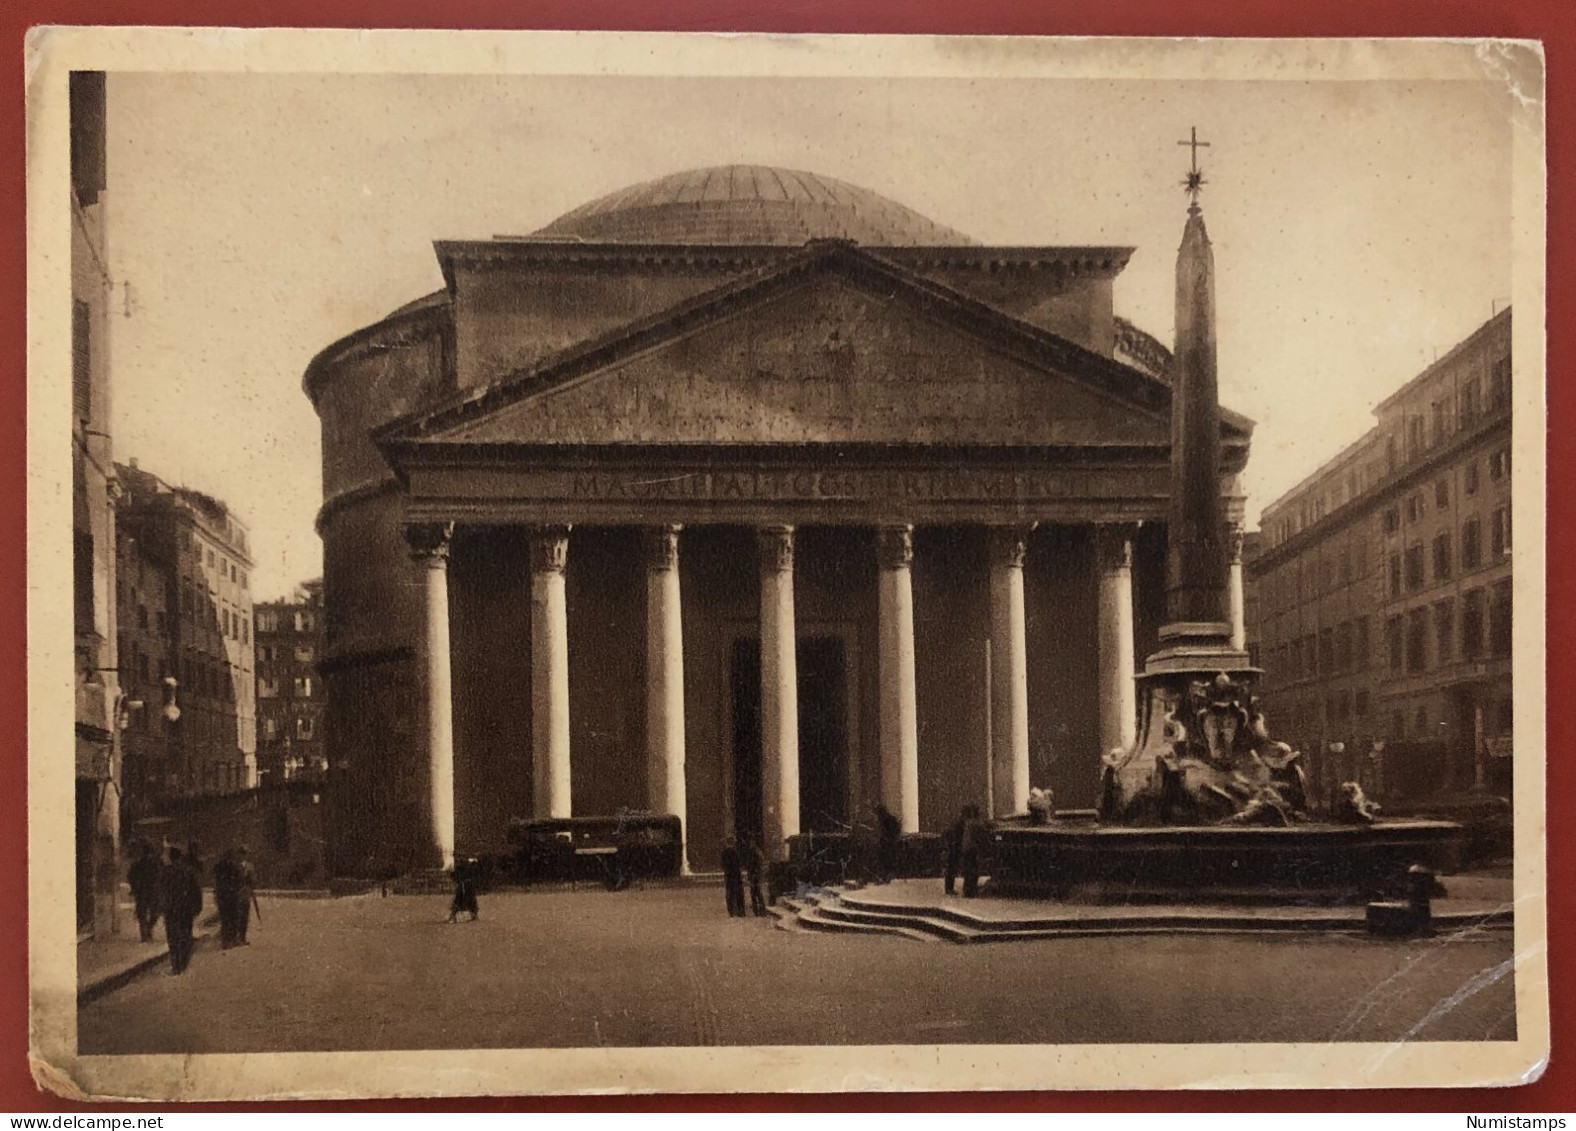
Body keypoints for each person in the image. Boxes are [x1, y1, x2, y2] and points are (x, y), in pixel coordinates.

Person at [161, 845, 203, 975]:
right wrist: (197, 907)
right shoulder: (189, 871)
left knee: (173, 937)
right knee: (185, 935)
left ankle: (176, 965)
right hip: (186, 910)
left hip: (171, 910)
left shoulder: (166, 872)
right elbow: (196, 891)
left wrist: (162, 907)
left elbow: (160, 891)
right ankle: (183, 962)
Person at [127, 841, 162, 943]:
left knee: (146, 913)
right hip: (147, 891)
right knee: (149, 913)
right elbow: (131, 875)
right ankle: (146, 931)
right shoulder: (141, 863)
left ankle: (146, 930)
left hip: (147, 891)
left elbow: (131, 876)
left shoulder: (152, 863)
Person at [943, 804, 979, 897]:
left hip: (955, 847)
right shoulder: (963, 823)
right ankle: (950, 888)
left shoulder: (958, 823)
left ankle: (949, 888)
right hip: (956, 848)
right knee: (954, 868)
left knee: (952, 868)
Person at [212, 849, 240, 949]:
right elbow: (238, 881)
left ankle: (225, 940)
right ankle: (232, 939)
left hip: (222, 894)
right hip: (231, 894)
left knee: (225, 918)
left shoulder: (218, 866)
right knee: (232, 917)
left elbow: (215, 880)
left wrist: (216, 892)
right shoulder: (234, 867)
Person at [961, 811, 989, 899]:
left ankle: (967, 890)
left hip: (966, 849)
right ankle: (971, 891)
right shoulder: (977, 824)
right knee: (973, 871)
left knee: (968, 870)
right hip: (972, 849)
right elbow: (981, 837)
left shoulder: (968, 823)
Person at [872, 801, 901, 884]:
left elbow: (883, 832)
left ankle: (884, 877)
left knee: (884, 861)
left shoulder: (885, 821)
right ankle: (886, 877)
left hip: (886, 845)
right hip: (889, 844)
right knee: (887, 862)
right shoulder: (890, 819)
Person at [233, 846, 256, 945]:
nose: (242, 856)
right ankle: (236, 938)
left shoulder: (250, 866)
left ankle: (243, 937)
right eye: (241, 853)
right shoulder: (234, 866)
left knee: (245, 916)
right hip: (236, 893)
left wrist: (251, 887)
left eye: (244, 853)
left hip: (246, 893)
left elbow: (253, 879)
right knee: (237, 915)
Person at [719, 837, 745, 917]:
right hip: (736, 875)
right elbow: (739, 863)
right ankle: (740, 911)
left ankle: (731, 911)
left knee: (730, 893)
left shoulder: (724, 852)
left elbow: (723, 864)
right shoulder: (735, 852)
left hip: (729, 875)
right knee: (738, 893)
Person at [447, 857, 479, 922]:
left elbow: (455, 877)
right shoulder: (465, 867)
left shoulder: (465, 867)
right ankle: (453, 916)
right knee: (462, 900)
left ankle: (473, 915)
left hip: (466, 886)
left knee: (465, 900)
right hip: (465, 886)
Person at [746, 839, 769, 916]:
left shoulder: (753, 853)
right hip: (756, 875)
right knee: (757, 894)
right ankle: (761, 910)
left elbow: (752, 866)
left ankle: (758, 910)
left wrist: (751, 876)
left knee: (755, 894)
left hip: (754, 876)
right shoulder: (757, 852)